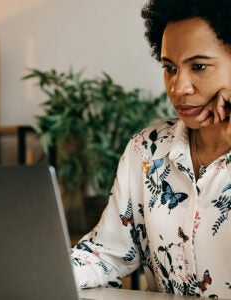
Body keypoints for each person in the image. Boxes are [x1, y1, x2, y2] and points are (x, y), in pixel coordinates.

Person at [70, 0, 231, 298]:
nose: (178, 86)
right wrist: (31, 270)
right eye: (169, 68)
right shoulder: (146, 148)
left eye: (198, 66)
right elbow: (108, 253)